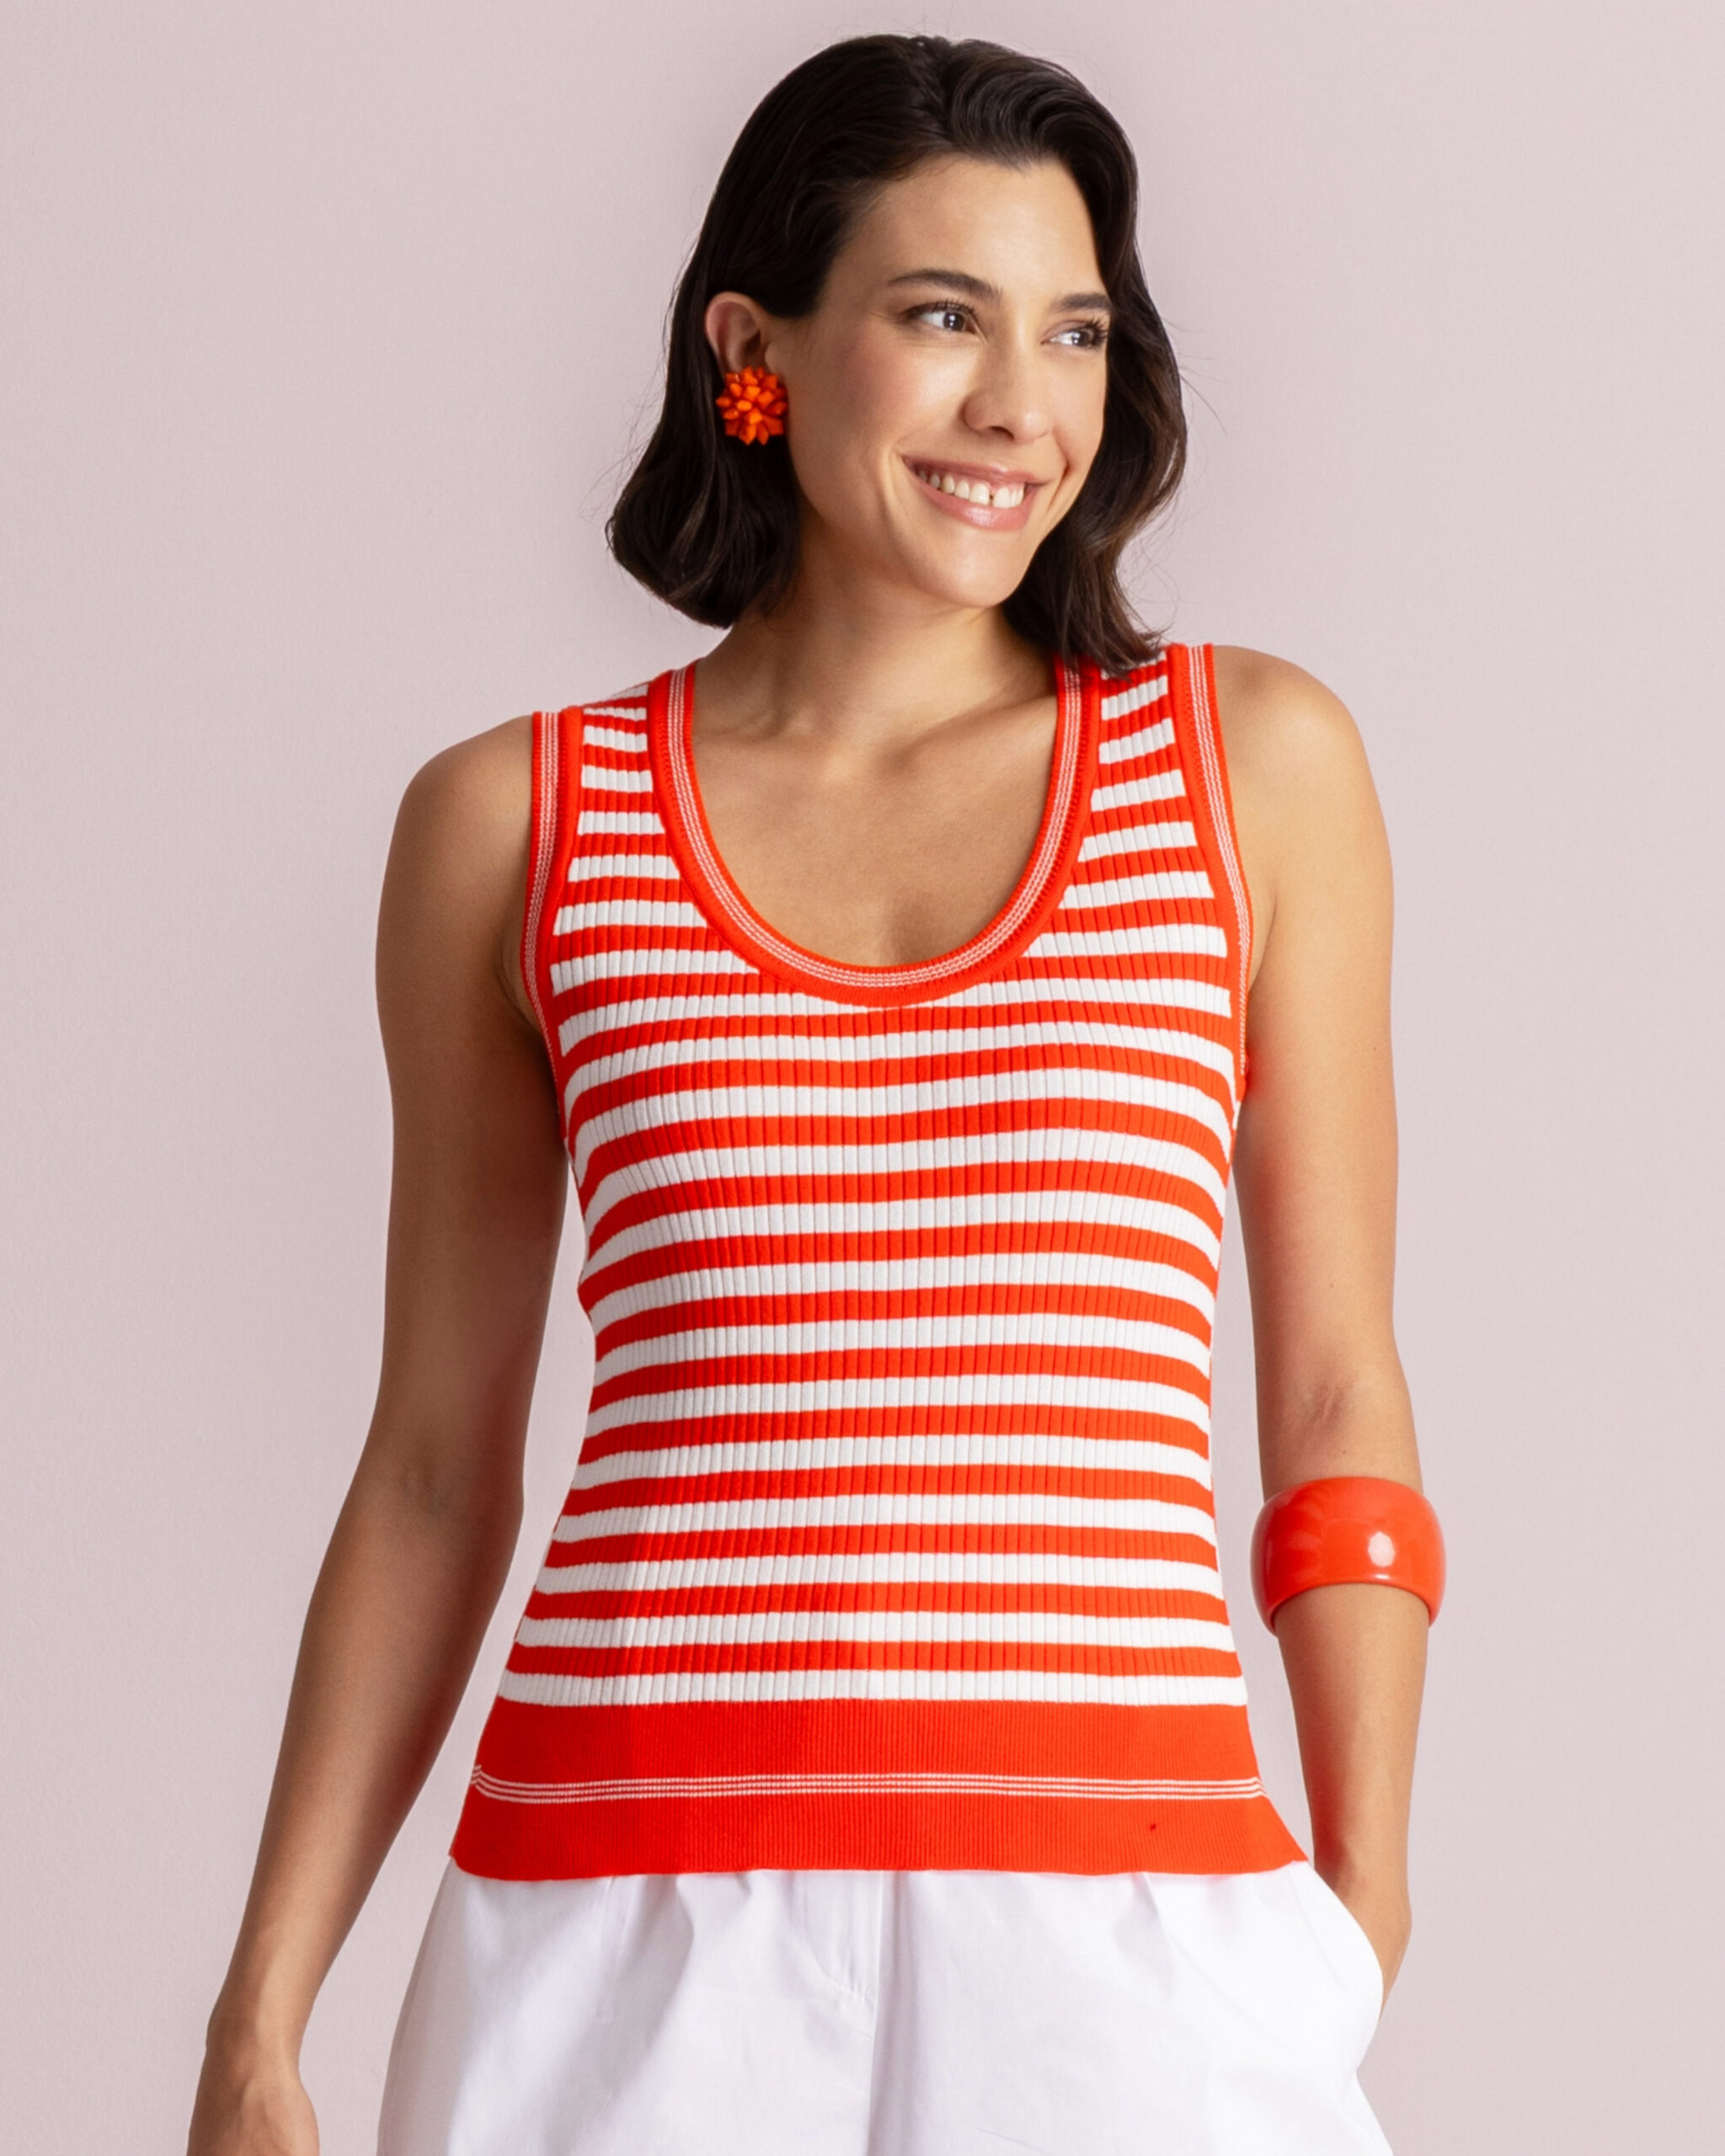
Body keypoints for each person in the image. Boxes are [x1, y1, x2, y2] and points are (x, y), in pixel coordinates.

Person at [188, 33, 1438, 2156]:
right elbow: (430, 1469)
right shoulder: (516, 825)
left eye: (1074, 332)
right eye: (943, 317)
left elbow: (1331, 1396)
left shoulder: (1245, 770)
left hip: (1130, 1921)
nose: (1022, 407)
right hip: (615, 1932)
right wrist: (260, 2014)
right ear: (750, 353)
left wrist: (1360, 1901)